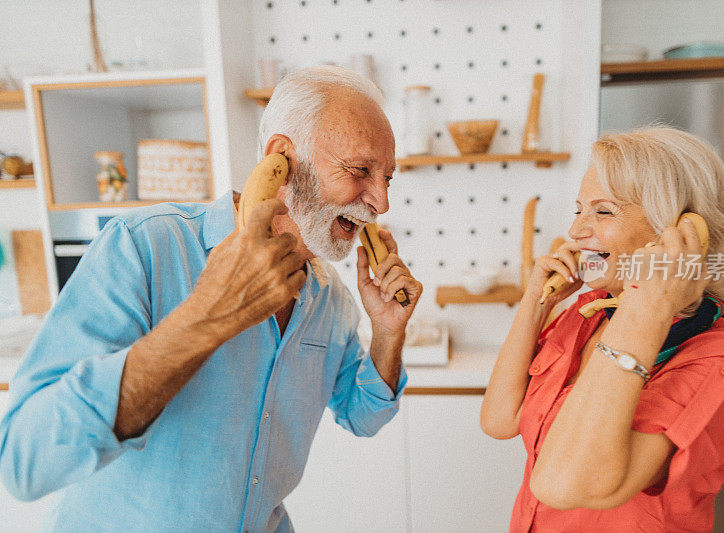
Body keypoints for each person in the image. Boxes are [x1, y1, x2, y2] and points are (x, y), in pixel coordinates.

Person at [0, 66, 422, 532]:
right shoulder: (143, 247)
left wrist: (387, 331)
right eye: (360, 170)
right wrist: (208, 317)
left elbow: (363, 415)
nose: (380, 202)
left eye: (387, 178)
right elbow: (25, 460)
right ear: (282, 156)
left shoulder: (331, 298)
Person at [481, 126, 724, 532]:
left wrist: (649, 298)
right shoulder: (589, 313)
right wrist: (536, 301)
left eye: (604, 211)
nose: (577, 231)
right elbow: (499, 419)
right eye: (578, 209)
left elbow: (564, 484)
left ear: (680, 231)